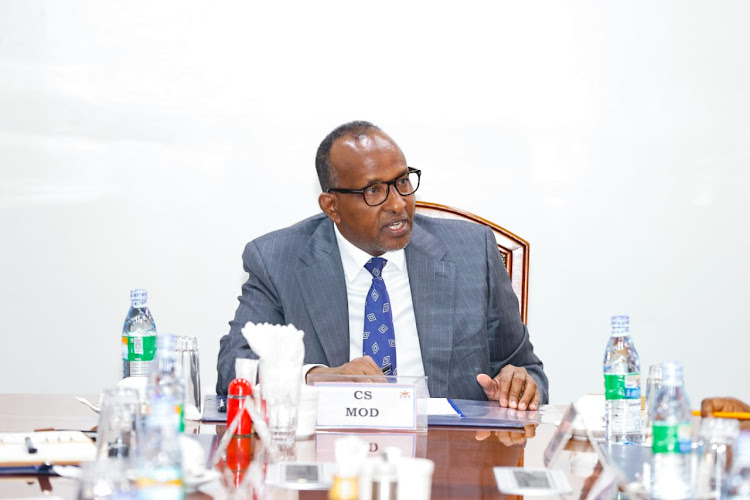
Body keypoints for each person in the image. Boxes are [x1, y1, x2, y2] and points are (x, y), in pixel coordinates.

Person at [216, 121, 548, 409]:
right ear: (332, 207)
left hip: (446, 457)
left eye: (403, 182)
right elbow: (235, 369)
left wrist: (518, 383)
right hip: (332, 459)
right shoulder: (277, 260)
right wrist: (319, 379)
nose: (398, 203)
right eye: (374, 190)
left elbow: (527, 370)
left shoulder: (472, 253)